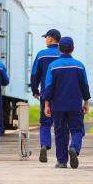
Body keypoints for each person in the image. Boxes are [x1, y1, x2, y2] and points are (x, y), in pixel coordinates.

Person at [42, 37, 90, 169]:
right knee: (78, 130)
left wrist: (47, 104)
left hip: (57, 105)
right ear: (73, 49)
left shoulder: (52, 66)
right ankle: (74, 147)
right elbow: (84, 86)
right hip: (75, 104)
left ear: (59, 49)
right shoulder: (79, 65)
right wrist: (86, 102)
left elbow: (49, 86)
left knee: (60, 132)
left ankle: (62, 161)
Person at [29, 28, 62, 163]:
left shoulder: (41, 55)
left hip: (46, 93)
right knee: (61, 124)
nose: (45, 40)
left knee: (45, 123)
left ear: (50, 39)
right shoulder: (63, 54)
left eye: (46, 38)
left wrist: (35, 90)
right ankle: (63, 152)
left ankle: (44, 145)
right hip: (62, 95)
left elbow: (35, 74)